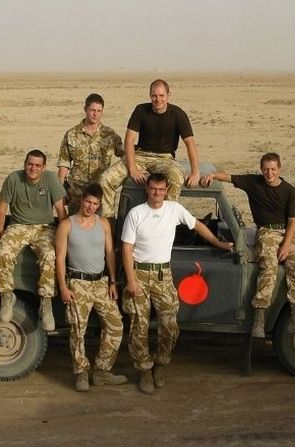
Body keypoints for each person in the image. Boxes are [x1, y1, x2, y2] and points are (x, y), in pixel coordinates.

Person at [121, 172, 233, 394]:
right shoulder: (136, 214)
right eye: (153, 189)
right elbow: (126, 248)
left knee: (170, 327)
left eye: (161, 189)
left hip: (163, 274)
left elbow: (196, 225)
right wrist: (131, 280)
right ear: (147, 189)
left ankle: (161, 363)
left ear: (166, 190)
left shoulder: (174, 209)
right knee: (138, 327)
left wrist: (216, 242)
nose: (157, 193)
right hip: (140, 274)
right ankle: (144, 370)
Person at [201, 152, 295, 339]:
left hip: (286, 232)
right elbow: (229, 177)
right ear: (261, 170)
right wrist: (212, 176)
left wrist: (286, 246)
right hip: (266, 231)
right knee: (268, 266)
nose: (269, 173)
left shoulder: (289, 190)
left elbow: (293, 221)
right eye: (266, 169)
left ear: (279, 169)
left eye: (273, 169)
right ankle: (259, 320)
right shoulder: (254, 182)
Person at [55, 183, 127, 392]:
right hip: (78, 283)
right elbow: (60, 258)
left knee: (116, 325)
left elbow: (110, 253)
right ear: (82, 200)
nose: (91, 207)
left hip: (101, 283)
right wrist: (63, 286)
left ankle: (102, 371)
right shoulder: (67, 225)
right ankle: (81, 373)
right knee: (78, 330)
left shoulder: (103, 223)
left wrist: (113, 281)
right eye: (88, 202)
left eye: (95, 204)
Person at [100, 79, 201, 218]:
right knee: (105, 179)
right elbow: (129, 140)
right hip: (140, 155)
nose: (157, 99)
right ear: (150, 95)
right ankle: (108, 227)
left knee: (176, 179)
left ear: (168, 95)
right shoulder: (140, 110)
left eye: (161, 95)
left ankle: (164, 222)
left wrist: (195, 172)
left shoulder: (178, 114)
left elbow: (190, 143)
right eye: (154, 96)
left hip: (165, 158)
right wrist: (133, 168)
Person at [0, 149, 67, 328]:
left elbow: (61, 211)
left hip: (44, 227)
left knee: (50, 255)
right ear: (24, 164)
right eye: (30, 164)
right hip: (18, 226)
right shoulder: (13, 179)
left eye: (37, 165)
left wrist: (65, 237)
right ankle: (6, 296)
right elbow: (2, 209)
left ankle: (46, 303)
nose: (33, 168)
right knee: (4, 252)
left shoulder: (51, 179)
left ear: (43, 167)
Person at [57, 93, 123, 215]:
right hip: (77, 193)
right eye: (92, 110)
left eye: (99, 111)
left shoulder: (109, 134)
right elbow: (64, 164)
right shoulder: (71, 134)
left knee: (103, 228)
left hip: (100, 192)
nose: (95, 114)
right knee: (76, 229)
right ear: (85, 109)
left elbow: (125, 154)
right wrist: (59, 191)